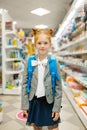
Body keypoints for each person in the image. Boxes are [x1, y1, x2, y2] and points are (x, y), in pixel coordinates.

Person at [21, 28, 62, 130]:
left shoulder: (54, 62)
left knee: (53, 126)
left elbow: (58, 87)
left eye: (45, 43)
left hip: (50, 102)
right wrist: (25, 105)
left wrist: (57, 107)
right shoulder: (30, 62)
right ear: (35, 45)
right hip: (34, 101)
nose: (42, 46)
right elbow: (24, 84)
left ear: (50, 45)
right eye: (39, 43)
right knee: (37, 126)